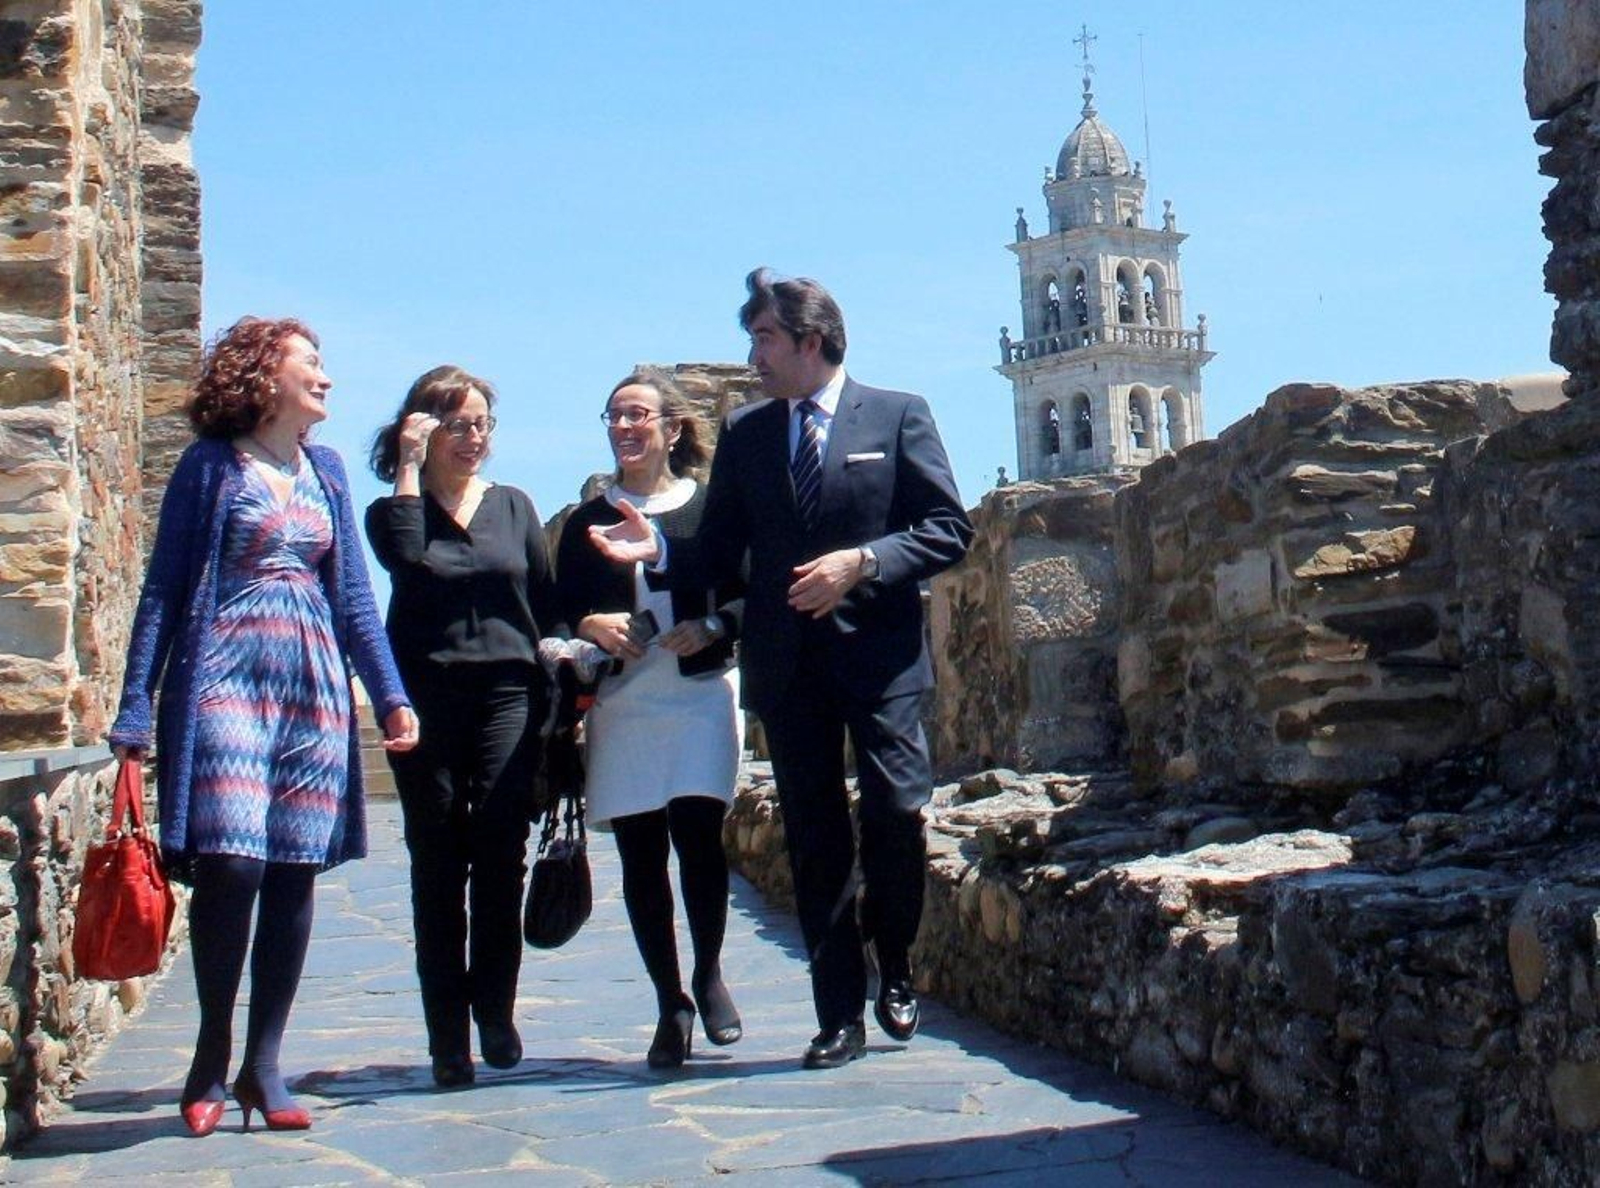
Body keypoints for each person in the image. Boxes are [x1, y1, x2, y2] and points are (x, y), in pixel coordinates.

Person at [590, 269, 973, 1069]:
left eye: (764, 338)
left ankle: (894, 956)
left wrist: (863, 561)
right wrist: (657, 548)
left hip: (882, 657)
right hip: (788, 663)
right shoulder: (751, 434)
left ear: (810, 339)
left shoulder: (898, 415)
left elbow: (947, 529)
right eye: (752, 340)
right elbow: (719, 551)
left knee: (899, 813)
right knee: (814, 835)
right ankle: (838, 1014)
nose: (753, 355)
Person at [109, 317, 418, 1137]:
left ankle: (264, 1063)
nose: (326, 378)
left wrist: (389, 695)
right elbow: (164, 590)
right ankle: (211, 1049)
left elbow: (353, 595)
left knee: (291, 872)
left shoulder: (327, 470)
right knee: (234, 864)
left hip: (314, 688)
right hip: (224, 680)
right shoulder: (211, 467)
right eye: (310, 364)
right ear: (263, 376)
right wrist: (137, 703)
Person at [365, 366, 558, 1089]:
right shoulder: (393, 511)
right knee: (439, 865)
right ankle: (448, 1035)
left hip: (510, 691)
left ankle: (496, 1011)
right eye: (458, 425)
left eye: (482, 424)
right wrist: (410, 467)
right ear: (422, 428)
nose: (473, 438)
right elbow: (408, 561)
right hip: (424, 697)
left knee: (501, 849)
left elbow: (544, 598)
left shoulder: (513, 506)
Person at [555, 368, 746, 1070]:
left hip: (698, 693)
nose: (624, 427)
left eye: (638, 415)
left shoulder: (708, 508)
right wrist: (590, 622)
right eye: (614, 416)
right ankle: (670, 1000)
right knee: (641, 856)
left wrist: (715, 624)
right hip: (624, 702)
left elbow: (745, 592)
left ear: (673, 427)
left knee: (699, 836)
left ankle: (710, 973)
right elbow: (558, 609)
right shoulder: (586, 521)